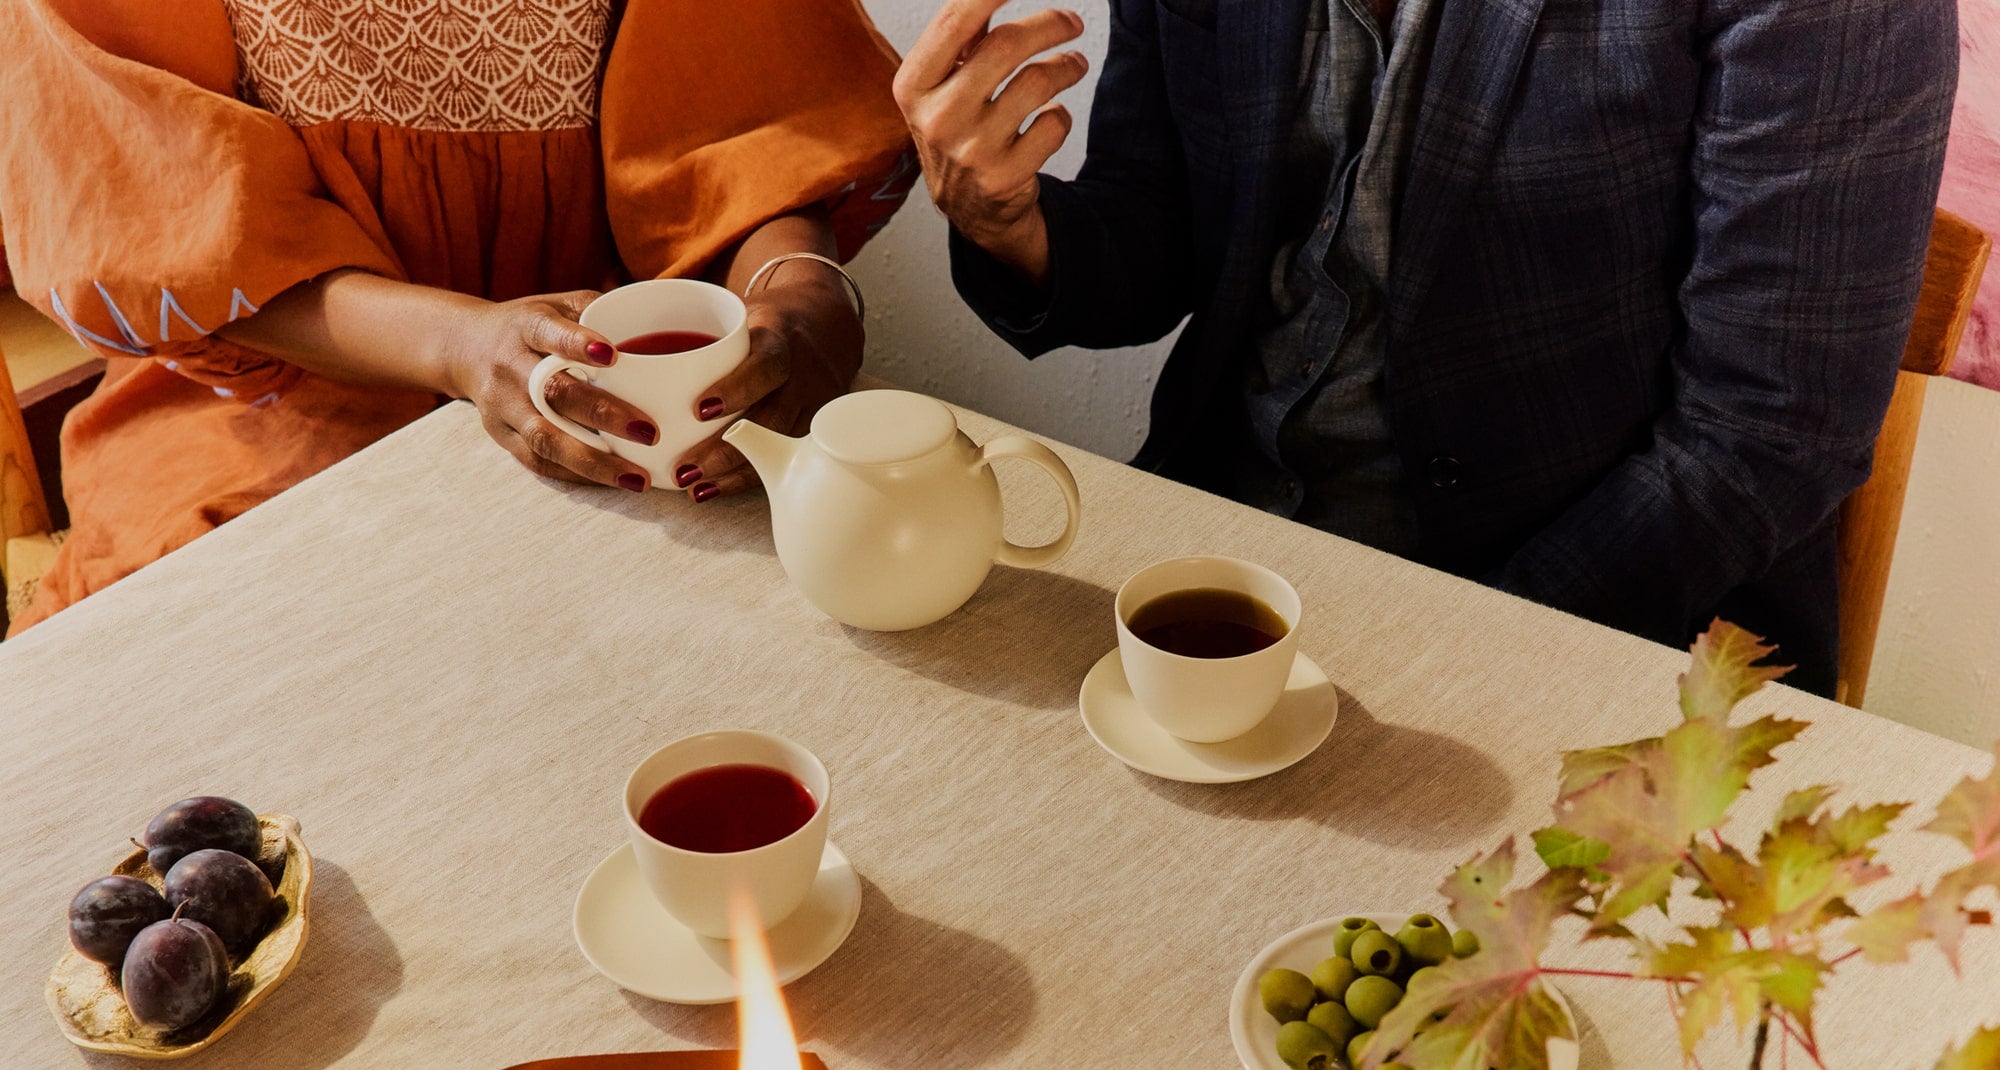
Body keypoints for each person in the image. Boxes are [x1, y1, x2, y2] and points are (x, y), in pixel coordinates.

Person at [896, 0, 1958, 696]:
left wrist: (1434, 649)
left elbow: (1768, 434)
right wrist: (1011, 227)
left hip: (1600, 636)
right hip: (1215, 561)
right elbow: (1164, 238)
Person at [0, 0, 915, 636]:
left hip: (602, 366)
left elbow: (745, 131)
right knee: (243, 660)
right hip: (266, 385)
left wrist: (802, 301)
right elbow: (155, 206)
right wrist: (456, 344)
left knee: (797, 602)